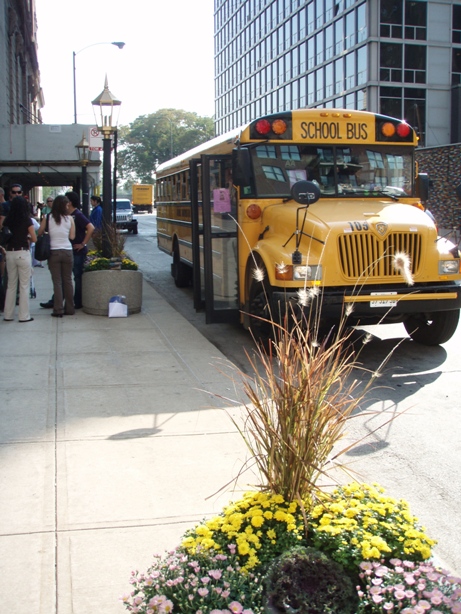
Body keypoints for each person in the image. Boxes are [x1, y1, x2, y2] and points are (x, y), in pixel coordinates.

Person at [38, 195, 75, 317]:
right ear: (64, 205)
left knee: (57, 282)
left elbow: (40, 232)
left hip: (54, 252)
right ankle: (70, 308)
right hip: (67, 251)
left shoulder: (48, 217)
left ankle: (58, 309)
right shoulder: (69, 219)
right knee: (68, 280)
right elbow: (72, 237)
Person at [2, 195, 37, 322]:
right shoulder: (27, 221)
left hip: (10, 253)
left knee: (11, 285)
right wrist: (26, 237)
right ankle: (24, 315)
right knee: (24, 286)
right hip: (23, 252)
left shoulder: (7, 221)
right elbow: (34, 238)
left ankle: (8, 314)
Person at [66, 191, 94, 309]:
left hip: (77, 251)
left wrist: (83, 243)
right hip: (69, 249)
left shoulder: (77, 215)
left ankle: (78, 301)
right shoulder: (68, 215)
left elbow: (90, 227)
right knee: (68, 276)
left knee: (77, 276)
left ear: (70, 202)